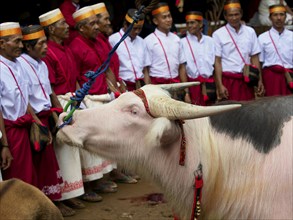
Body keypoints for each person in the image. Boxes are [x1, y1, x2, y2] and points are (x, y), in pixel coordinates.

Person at [39, 8, 89, 217]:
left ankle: (76, 192)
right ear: (51, 29)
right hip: (59, 104)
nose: (67, 27)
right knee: (64, 153)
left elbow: (76, 77)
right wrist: (58, 111)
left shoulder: (65, 48)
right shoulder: (47, 52)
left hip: (71, 100)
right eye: (62, 24)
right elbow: (49, 88)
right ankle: (66, 195)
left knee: (75, 152)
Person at [19, 23, 63, 204]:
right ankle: (45, 203)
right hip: (34, 120)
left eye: (46, 42)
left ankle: (55, 200)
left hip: (46, 116)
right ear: (28, 47)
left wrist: (58, 115)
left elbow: (49, 92)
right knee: (40, 165)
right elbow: (25, 98)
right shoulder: (21, 65)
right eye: (41, 44)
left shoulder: (42, 64)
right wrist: (38, 123)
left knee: (50, 163)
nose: (46, 47)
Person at [0, 22, 41, 186]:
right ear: (2, 43)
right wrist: (4, 145)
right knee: (18, 180)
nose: (21, 46)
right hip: (11, 133)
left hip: (25, 128)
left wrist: (36, 121)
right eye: (16, 41)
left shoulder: (19, 64)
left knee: (30, 175)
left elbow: (25, 99)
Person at [212, 0, 265, 101]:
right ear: (225, 16)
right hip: (228, 81)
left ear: (241, 14)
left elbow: (254, 58)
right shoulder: (218, 34)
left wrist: (259, 80)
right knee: (230, 114)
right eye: (230, 15)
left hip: (246, 80)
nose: (234, 18)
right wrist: (220, 85)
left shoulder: (250, 32)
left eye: (236, 14)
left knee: (248, 112)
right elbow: (217, 62)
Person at [144, 2, 190, 101]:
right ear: (156, 21)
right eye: (164, 17)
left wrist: (186, 93)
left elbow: (182, 67)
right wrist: (149, 94)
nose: (168, 20)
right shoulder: (148, 41)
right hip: (157, 87)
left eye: (169, 16)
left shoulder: (177, 39)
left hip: (176, 86)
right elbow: (146, 71)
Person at [109, 8, 151, 91]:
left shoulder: (142, 41)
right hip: (123, 86)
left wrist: (148, 89)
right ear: (125, 24)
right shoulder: (113, 40)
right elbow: (110, 69)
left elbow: (145, 70)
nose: (137, 32)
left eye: (140, 28)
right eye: (134, 28)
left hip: (141, 85)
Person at [180, 11, 216, 105]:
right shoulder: (182, 43)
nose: (189, 26)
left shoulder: (210, 41)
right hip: (193, 86)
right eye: (187, 23)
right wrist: (186, 92)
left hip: (209, 86)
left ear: (200, 24)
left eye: (192, 23)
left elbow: (215, 65)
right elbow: (183, 69)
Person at [258, 4, 293, 96]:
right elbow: (259, 63)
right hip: (271, 78)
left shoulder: (292, 36)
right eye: (275, 15)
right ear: (270, 18)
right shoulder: (262, 38)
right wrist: (260, 81)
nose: (279, 18)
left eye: (282, 14)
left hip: (290, 77)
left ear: (285, 17)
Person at [91, 2, 123, 92]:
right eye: (106, 19)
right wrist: (116, 91)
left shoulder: (104, 40)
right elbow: (106, 71)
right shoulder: (97, 42)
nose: (109, 23)